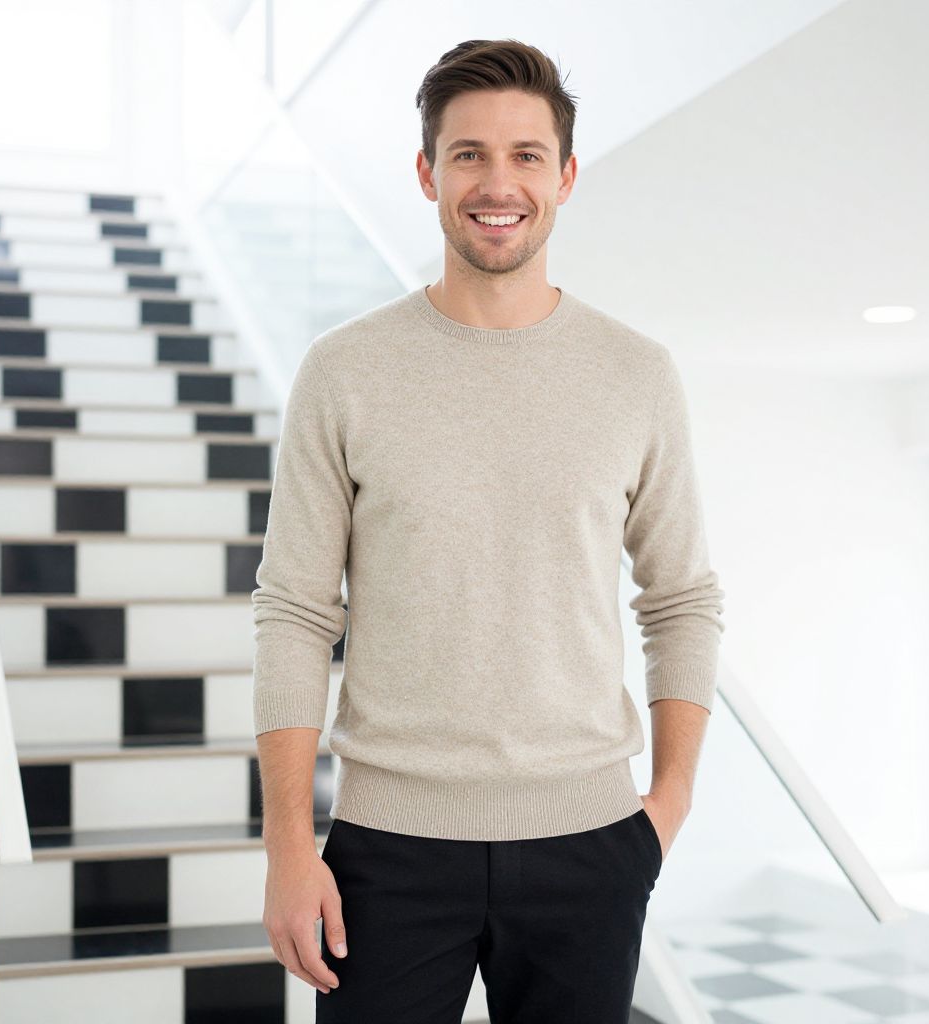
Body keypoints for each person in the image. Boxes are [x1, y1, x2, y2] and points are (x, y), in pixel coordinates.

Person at [253, 38, 725, 1024]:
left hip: (590, 843)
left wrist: (666, 806)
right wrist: (291, 850)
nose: (496, 181)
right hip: (386, 852)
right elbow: (295, 612)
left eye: (523, 154)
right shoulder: (344, 371)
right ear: (428, 174)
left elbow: (680, 597)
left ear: (565, 174)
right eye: (467, 154)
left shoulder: (636, 373)